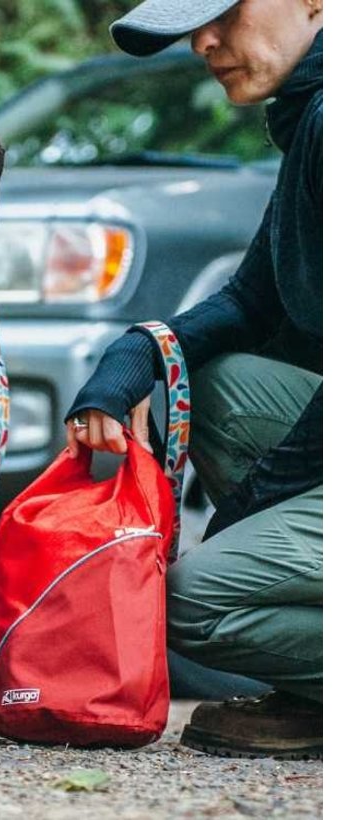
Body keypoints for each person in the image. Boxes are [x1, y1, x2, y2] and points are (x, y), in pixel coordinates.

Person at [65, 0, 322, 758]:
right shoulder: (313, 118)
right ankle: (319, 695)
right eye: (192, 25)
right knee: (215, 383)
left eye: (226, 14)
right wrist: (136, 356)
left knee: (184, 601)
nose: (204, 42)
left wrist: (249, 505)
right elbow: (249, 300)